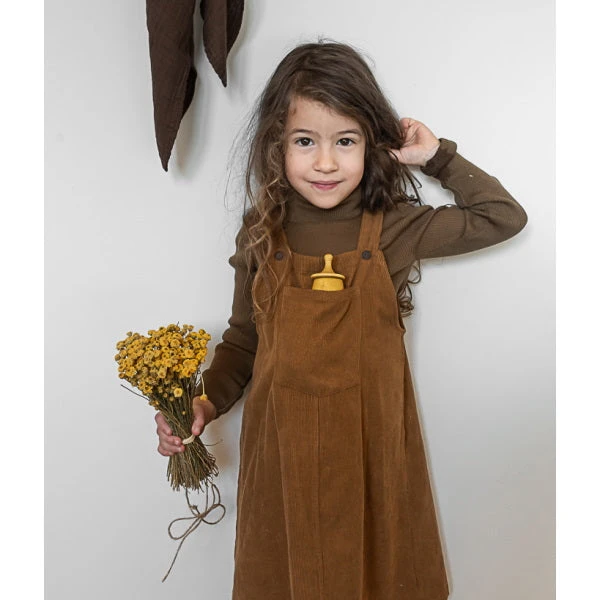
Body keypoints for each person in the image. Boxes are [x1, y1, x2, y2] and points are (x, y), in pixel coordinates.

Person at [155, 41, 527, 599]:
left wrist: (436, 156)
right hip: (282, 463)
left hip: (374, 459)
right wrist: (202, 404)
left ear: (373, 145)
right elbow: (243, 342)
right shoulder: (261, 231)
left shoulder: (396, 227)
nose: (325, 162)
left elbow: (502, 216)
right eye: (305, 141)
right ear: (276, 144)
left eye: (345, 141)